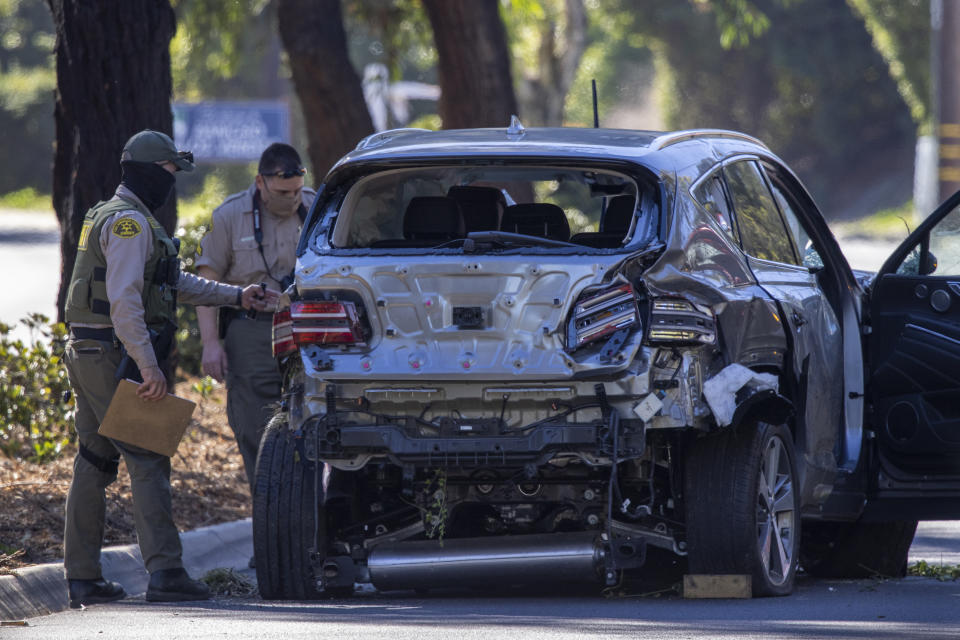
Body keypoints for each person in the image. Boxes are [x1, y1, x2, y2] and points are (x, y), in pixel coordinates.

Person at [62, 130, 276, 608]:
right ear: (146, 171)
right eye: (169, 173)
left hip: (91, 354)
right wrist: (147, 366)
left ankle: (82, 576)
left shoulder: (114, 215)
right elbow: (125, 303)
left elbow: (171, 281)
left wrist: (237, 296)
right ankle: (166, 572)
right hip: (113, 357)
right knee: (149, 457)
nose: (172, 182)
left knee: (95, 461)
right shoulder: (129, 226)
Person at [194, 143, 315, 497]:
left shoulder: (315, 206)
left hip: (305, 328)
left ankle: (308, 517)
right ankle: (267, 519)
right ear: (260, 182)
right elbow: (205, 285)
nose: (291, 200)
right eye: (282, 193)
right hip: (252, 328)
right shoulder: (230, 216)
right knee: (253, 426)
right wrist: (210, 344)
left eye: (295, 192)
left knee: (312, 421)